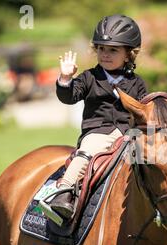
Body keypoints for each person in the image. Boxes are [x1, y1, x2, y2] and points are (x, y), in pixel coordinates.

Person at [50, 14, 148, 220]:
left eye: (113, 50)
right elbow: (69, 97)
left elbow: (143, 110)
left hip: (129, 134)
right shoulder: (89, 77)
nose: (105, 54)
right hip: (98, 133)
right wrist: (66, 78)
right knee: (89, 150)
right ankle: (63, 192)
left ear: (129, 54)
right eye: (101, 49)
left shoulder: (137, 83)